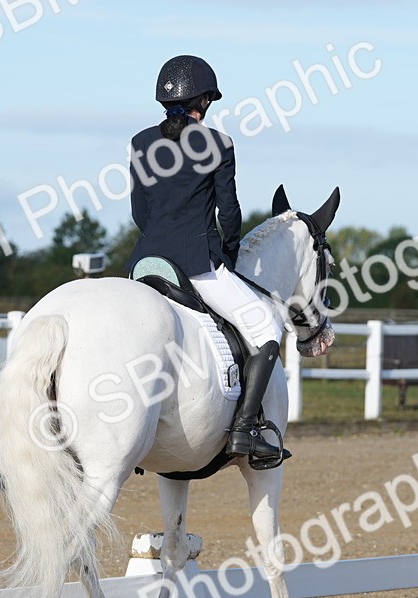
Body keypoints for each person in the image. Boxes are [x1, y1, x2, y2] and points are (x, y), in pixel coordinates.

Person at [127, 55, 285, 467]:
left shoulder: (140, 142)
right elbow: (229, 213)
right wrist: (228, 254)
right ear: (205, 101)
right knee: (266, 327)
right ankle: (245, 430)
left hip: (146, 264)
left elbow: (139, 213)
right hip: (197, 262)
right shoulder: (219, 144)